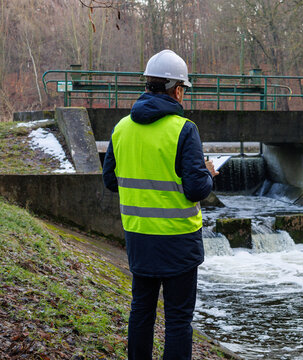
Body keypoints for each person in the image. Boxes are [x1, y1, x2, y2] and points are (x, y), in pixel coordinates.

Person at [102, 49, 218, 360]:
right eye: (184, 91)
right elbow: (196, 190)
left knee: (141, 310)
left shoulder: (121, 128)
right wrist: (208, 175)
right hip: (179, 241)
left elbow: (111, 181)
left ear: (147, 85)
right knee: (178, 319)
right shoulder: (184, 129)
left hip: (139, 237)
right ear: (177, 90)